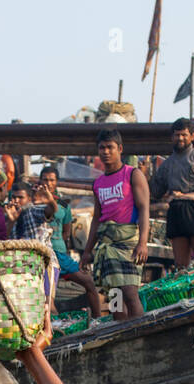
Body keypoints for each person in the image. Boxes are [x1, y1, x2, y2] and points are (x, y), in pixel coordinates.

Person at [79, 128, 150, 321]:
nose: (106, 152)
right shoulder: (98, 183)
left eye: (110, 147)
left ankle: (138, 332)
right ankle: (120, 332)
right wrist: (87, 251)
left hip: (127, 241)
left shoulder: (132, 174)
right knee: (114, 295)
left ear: (120, 149)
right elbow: (96, 219)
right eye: (102, 148)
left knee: (130, 292)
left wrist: (142, 242)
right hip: (106, 244)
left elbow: (144, 209)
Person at [149, 117, 194, 271]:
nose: (180, 138)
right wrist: (145, 175)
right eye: (177, 135)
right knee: (181, 266)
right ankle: (185, 295)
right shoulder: (167, 164)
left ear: (192, 136)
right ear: (172, 137)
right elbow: (155, 192)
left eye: (184, 135)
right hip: (175, 212)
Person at [38, 165, 103, 317]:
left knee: (88, 282)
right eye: (45, 179)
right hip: (43, 255)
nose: (48, 183)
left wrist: (61, 244)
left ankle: (97, 320)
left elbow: (67, 231)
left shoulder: (63, 204)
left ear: (57, 182)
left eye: (51, 180)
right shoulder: (34, 201)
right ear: (40, 181)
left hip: (60, 254)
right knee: (47, 297)